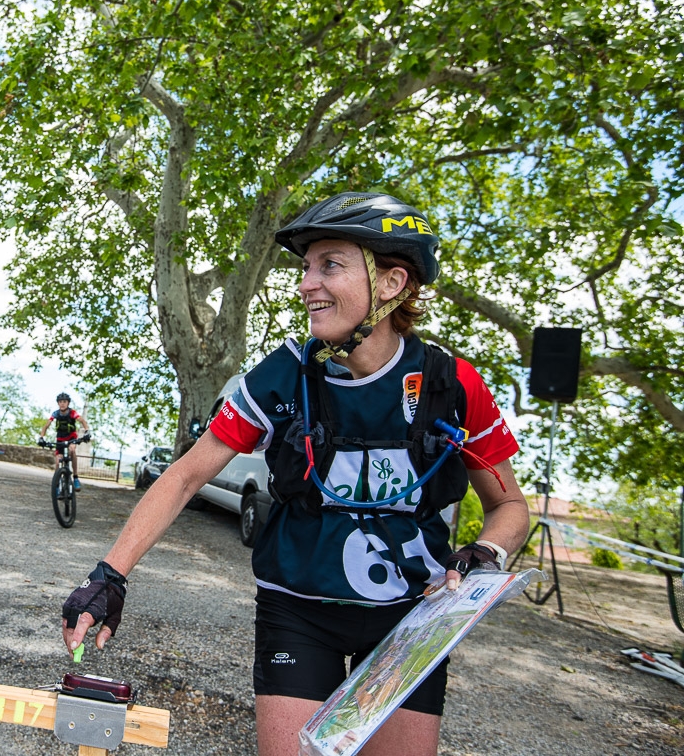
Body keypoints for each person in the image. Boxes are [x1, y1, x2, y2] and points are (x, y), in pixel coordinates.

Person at [60, 192, 531, 756]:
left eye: (329, 264)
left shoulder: (451, 385)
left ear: (390, 283)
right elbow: (185, 475)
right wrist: (110, 575)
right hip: (298, 608)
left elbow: (510, 507)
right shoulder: (283, 374)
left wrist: (486, 555)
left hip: (412, 618)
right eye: (306, 267)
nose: (306, 283)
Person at [39, 392, 89, 489]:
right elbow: (46, 425)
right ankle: (57, 483)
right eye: (60, 402)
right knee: (58, 461)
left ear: (68, 403)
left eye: (64, 402)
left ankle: (75, 477)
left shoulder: (72, 412)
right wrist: (42, 437)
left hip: (71, 437)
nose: (62, 403)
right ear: (58, 403)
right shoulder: (56, 413)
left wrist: (86, 431)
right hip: (60, 438)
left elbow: (82, 420)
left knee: (72, 450)